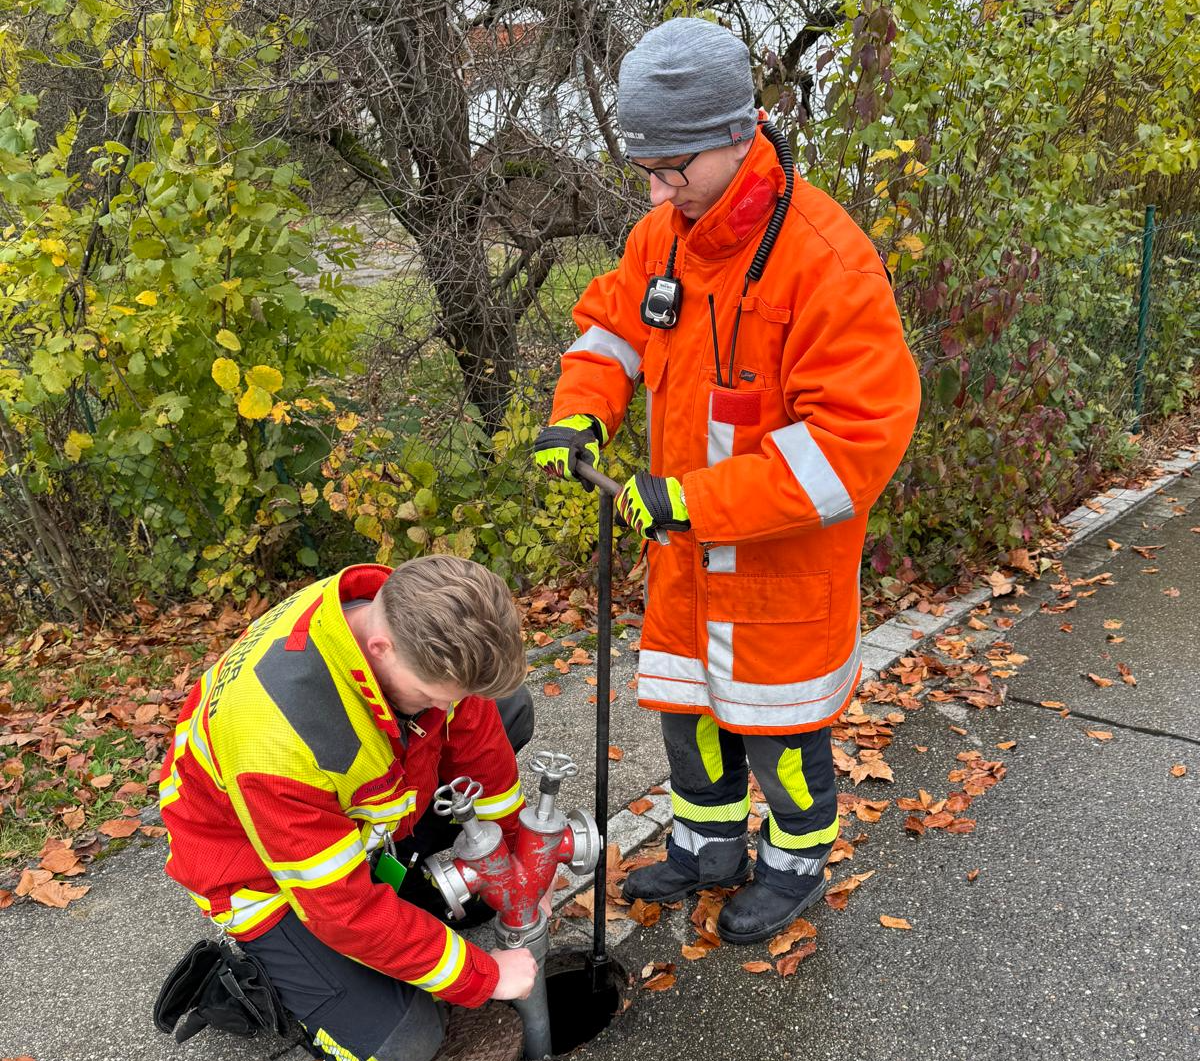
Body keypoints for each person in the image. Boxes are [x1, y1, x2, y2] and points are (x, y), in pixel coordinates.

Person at [534, 18, 921, 944]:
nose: (662, 189)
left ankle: (792, 864)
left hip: (777, 573)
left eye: (677, 168)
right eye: (648, 171)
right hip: (684, 559)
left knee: (781, 741)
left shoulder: (825, 259)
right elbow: (611, 330)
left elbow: (855, 443)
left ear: (742, 131)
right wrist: (582, 406)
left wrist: (693, 503)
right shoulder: (663, 238)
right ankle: (708, 850)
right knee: (690, 724)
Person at [158, 555, 539, 1060]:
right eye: (432, 696)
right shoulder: (277, 743)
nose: (447, 710)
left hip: (353, 811)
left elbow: (481, 752)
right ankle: (265, 983)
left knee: (508, 708)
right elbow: (342, 910)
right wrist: (482, 976)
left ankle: (403, 894)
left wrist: (516, 868)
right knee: (406, 1042)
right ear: (381, 649)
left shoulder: (410, 618)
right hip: (259, 871)